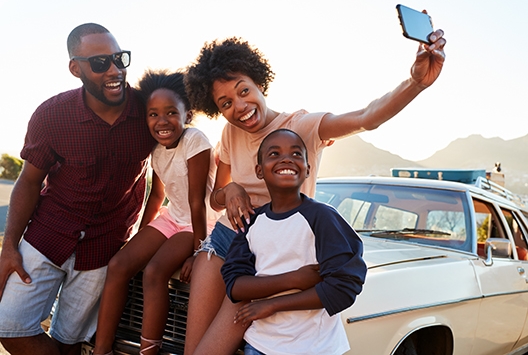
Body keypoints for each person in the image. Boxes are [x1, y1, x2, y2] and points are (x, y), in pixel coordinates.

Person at [184, 31, 446, 355]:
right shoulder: (229, 132)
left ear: (259, 82)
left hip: (269, 255)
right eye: (226, 103)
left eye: (244, 91)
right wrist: (233, 189)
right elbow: (216, 196)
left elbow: (367, 118)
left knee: (212, 348)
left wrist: (416, 82)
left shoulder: (301, 126)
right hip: (224, 239)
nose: (239, 106)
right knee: (191, 347)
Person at [0, 23, 157, 355]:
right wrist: (10, 246)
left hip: (105, 245)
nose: (115, 70)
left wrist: (144, 239)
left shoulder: (149, 112)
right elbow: (28, 181)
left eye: (120, 59)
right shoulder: (51, 115)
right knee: (9, 327)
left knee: (71, 341)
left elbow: (167, 177)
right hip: (46, 235)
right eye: (101, 63)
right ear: (76, 68)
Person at [91, 70, 219, 355]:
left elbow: (197, 202)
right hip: (172, 218)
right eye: (153, 114)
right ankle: (102, 350)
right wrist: (139, 237)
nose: (162, 121)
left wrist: (199, 252)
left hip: (199, 223)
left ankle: (148, 351)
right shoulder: (157, 148)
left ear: (187, 113)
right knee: (119, 265)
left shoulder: (195, 140)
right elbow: (157, 194)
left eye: (171, 112)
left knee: (154, 272)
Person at [221, 128, 366, 355]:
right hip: (260, 345)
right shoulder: (251, 222)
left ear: (308, 169)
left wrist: (273, 304)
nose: (286, 158)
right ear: (259, 170)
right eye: (274, 154)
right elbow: (235, 285)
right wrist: (293, 279)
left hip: (315, 347)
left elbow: (344, 287)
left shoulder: (323, 217)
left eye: (296, 154)